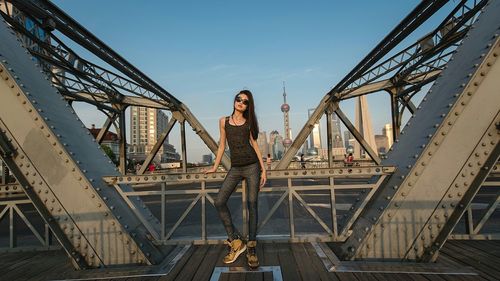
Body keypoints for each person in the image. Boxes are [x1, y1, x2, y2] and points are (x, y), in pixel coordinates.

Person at [205, 90, 266, 268]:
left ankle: (252, 247)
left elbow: (254, 145)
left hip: (252, 166)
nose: (240, 102)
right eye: (238, 99)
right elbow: (222, 145)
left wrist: (264, 170)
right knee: (219, 201)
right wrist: (215, 167)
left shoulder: (248, 123)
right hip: (235, 168)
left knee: (252, 205)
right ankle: (236, 241)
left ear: (248, 106)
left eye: (245, 101)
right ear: (234, 101)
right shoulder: (223, 121)